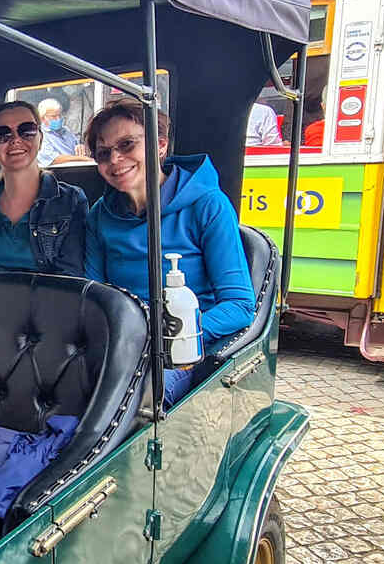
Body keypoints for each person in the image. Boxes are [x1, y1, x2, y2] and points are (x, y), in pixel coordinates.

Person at [83, 96, 255, 405]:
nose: (115, 160)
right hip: (121, 343)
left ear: (160, 145)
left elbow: (240, 305)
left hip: (179, 351)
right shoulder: (99, 216)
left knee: (134, 400)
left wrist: (171, 336)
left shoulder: (208, 205)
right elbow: (95, 296)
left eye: (127, 145)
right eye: (104, 153)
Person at [0, 100, 87, 274]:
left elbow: (71, 279)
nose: (15, 140)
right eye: (2, 134)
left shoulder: (70, 200)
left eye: (27, 131)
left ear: (40, 138)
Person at [35, 97, 80, 166]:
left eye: (59, 115)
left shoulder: (66, 130)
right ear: (42, 118)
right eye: (53, 116)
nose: (58, 119)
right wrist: (82, 159)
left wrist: (81, 148)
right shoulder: (39, 135)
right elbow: (54, 159)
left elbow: (77, 145)